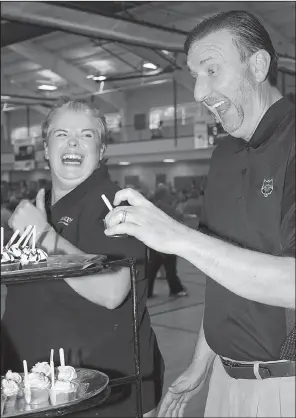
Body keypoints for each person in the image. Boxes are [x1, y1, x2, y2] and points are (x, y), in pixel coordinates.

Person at [104, 10, 295, 417]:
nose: (197, 91)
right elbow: (221, 273)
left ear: (258, 65)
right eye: (195, 74)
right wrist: (200, 363)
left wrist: (176, 236)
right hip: (226, 380)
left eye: (211, 69)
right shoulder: (224, 153)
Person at [2, 98, 164, 417]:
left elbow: (112, 291)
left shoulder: (115, 206)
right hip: (37, 389)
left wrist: (43, 235)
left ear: (101, 151)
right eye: (61, 134)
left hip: (104, 394)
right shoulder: (40, 208)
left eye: (86, 135)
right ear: (46, 149)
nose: (73, 141)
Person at [147, 186, 187, 298]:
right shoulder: (167, 208)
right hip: (167, 242)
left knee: (152, 268)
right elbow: (179, 219)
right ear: (164, 195)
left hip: (154, 241)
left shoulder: (152, 207)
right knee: (170, 268)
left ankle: (147, 292)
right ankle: (176, 289)